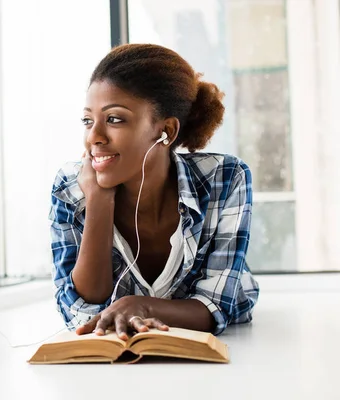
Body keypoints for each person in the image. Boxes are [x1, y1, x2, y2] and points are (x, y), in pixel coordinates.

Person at [49, 44, 259, 340]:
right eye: (88, 121)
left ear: (166, 132)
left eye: (114, 119)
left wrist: (141, 306)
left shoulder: (223, 178)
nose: (93, 137)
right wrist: (98, 201)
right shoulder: (72, 188)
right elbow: (81, 312)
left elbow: (215, 306)